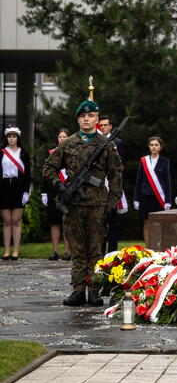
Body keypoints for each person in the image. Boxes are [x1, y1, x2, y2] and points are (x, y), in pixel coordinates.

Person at [42, 100, 122, 306]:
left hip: (97, 206)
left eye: (91, 116)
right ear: (78, 119)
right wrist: (60, 187)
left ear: (97, 119)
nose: (86, 119)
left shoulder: (106, 144)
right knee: (77, 250)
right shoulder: (67, 143)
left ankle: (94, 291)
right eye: (82, 116)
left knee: (95, 250)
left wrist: (112, 205)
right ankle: (78, 290)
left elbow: (115, 175)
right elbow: (48, 168)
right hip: (73, 205)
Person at [133, 136, 172, 248]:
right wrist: (136, 199)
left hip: (158, 196)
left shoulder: (165, 162)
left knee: (159, 223)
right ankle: (149, 248)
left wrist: (168, 200)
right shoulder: (144, 161)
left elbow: (167, 182)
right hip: (144, 195)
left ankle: (159, 248)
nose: (154, 147)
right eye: (152, 145)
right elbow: (139, 180)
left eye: (156, 145)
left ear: (160, 147)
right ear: (149, 146)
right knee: (146, 223)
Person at [1, 126, 32, 261]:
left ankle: (16, 251)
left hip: (18, 188)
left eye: (14, 136)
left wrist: (26, 191)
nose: (11, 139)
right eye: (9, 136)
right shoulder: (2, 153)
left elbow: (28, 175)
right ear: (6, 138)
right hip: (4, 188)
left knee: (16, 221)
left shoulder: (23, 153)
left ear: (17, 138)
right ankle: (6, 251)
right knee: (7, 221)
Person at [98, 112, 126, 252]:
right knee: (100, 222)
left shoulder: (118, 143)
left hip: (112, 186)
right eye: (101, 125)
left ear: (110, 126)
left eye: (105, 125)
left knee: (112, 222)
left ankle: (113, 252)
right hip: (99, 186)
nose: (103, 128)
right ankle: (101, 251)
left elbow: (121, 166)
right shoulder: (96, 141)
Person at [41, 127, 71, 261]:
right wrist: (44, 193)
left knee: (67, 222)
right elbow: (46, 173)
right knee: (54, 222)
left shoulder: (73, 154)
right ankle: (55, 251)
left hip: (68, 192)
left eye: (64, 137)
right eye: (60, 137)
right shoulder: (51, 153)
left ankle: (67, 252)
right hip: (53, 191)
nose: (62, 139)